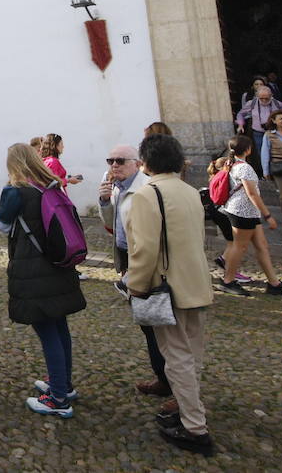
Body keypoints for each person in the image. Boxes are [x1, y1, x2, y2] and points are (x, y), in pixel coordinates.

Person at [126, 133, 217, 457]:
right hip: (196, 283)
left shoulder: (147, 195)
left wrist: (135, 285)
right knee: (191, 353)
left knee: (176, 355)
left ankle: (194, 426)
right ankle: (188, 408)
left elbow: (145, 249)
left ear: (146, 162)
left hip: (170, 287)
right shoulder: (190, 191)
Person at [0, 143, 85, 418]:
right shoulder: (52, 185)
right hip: (58, 263)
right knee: (59, 327)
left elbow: (2, 225)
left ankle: (57, 397)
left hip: (33, 268)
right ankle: (64, 384)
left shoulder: (14, 192)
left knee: (47, 331)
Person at [97, 144, 170, 405]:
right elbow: (110, 223)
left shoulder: (146, 188)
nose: (114, 165)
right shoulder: (115, 187)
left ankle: (169, 379)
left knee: (156, 323)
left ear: (137, 164)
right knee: (146, 322)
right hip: (127, 257)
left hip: (146, 260)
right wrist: (104, 201)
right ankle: (163, 376)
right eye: (111, 160)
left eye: (120, 161)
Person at [212, 136, 282, 296]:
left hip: (247, 211)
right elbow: (252, 193)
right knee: (240, 246)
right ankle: (228, 281)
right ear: (248, 149)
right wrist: (268, 215)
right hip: (243, 211)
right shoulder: (245, 168)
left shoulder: (232, 165)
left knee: (261, 245)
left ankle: (274, 283)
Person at [235, 84, 282, 169]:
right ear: (257, 96)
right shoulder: (252, 103)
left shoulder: (277, 104)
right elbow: (240, 114)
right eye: (261, 98)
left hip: (274, 131)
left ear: (271, 96)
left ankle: (276, 170)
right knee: (261, 153)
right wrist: (240, 124)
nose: (264, 100)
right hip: (258, 132)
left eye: (267, 98)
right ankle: (264, 172)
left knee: (276, 151)